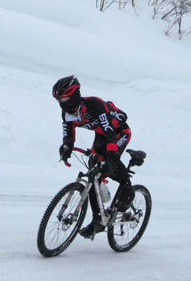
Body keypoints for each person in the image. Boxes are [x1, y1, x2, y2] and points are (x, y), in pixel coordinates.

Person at [52, 75, 135, 239]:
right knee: (93, 174)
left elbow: (109, 130)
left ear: (74, 95)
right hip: (101, 135)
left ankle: (127, 189)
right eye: (59, 100)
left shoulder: (94, 105)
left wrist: (111, 155)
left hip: (118, 133)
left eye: (65, 98)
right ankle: (98, 220)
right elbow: (68, 132)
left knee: (110, 163)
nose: (62, 103)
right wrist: (67, 146)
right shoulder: (67, 114)